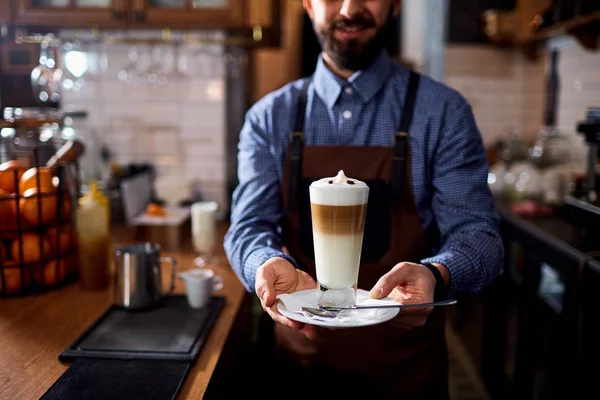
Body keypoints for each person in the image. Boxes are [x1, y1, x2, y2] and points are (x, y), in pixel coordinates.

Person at [224, 0, 504, 398]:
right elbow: (248, 228)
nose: (351, 8)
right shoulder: (270, 118)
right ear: (307, 4)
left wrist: (437, 274)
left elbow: (480, 237)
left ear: (394, 5)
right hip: (300, 368)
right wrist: (266, 263)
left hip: (406, 374)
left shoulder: (442, 113)